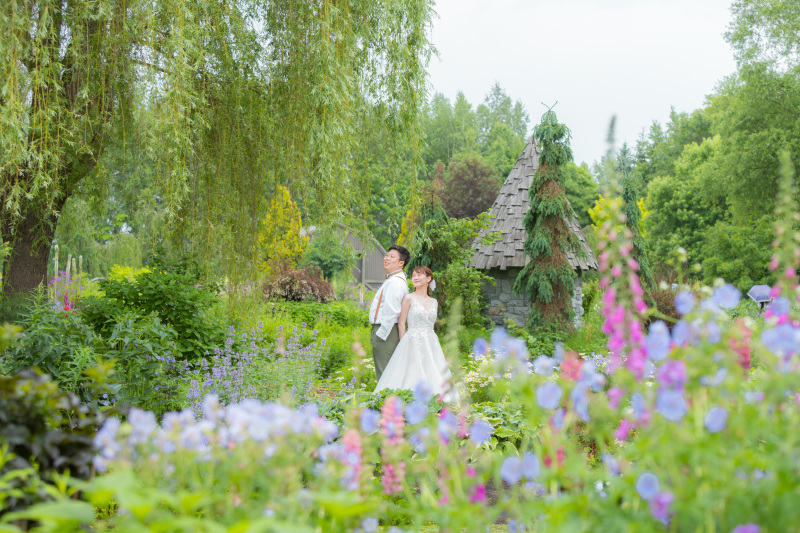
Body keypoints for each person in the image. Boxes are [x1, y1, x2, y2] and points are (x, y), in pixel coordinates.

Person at [374, 265, 459, 403]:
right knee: (411, 372)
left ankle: (434, 401)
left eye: (419, 275)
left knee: (433, 370)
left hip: (431, 341)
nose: (415, 278)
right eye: (413, 275)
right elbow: (401, 323)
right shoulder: (408, 298)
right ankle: (409, 401)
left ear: (429, 278)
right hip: (411, 340)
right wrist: (404, 343)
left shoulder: (434, 302)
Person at [369, 245, 410, 382]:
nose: (386, 258)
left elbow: (392, 311)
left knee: (385, 375)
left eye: (392, 256)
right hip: (386, 331)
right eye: (387, 255)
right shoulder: (393, 280)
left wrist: (381, 334)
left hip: (386, 331)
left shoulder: (395, 282)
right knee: (387, 373)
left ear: (401, 263)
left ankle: (386, 402)